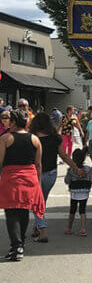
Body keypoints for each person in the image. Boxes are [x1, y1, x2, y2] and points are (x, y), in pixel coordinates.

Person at [29, 112, 83, 242]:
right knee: (42, 200)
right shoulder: (55, 138)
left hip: (36, 173)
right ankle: (37, 226)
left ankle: (42, 230)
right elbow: (64, 156)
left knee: (37, 202)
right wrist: (76, 168)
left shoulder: (32, 138)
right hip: (51, 174)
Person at [0, 109, 44, 261]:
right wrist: (37, 182)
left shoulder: (6, 138)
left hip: (11, 178)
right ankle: (19, 246)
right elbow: (38, 164)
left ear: (12, 122)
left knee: (11, 212)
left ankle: (16, 246)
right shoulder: (35, 139)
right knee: (24, 211)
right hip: (30, 178)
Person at [65, 148, 92, 237]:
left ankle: (69, 228)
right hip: (84, 191)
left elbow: (67, 180)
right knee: (82, 210)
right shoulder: (88, 169)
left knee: (72, 210)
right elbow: (91, 179)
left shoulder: (71, 170)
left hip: (74, 192)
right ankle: (83, 229)